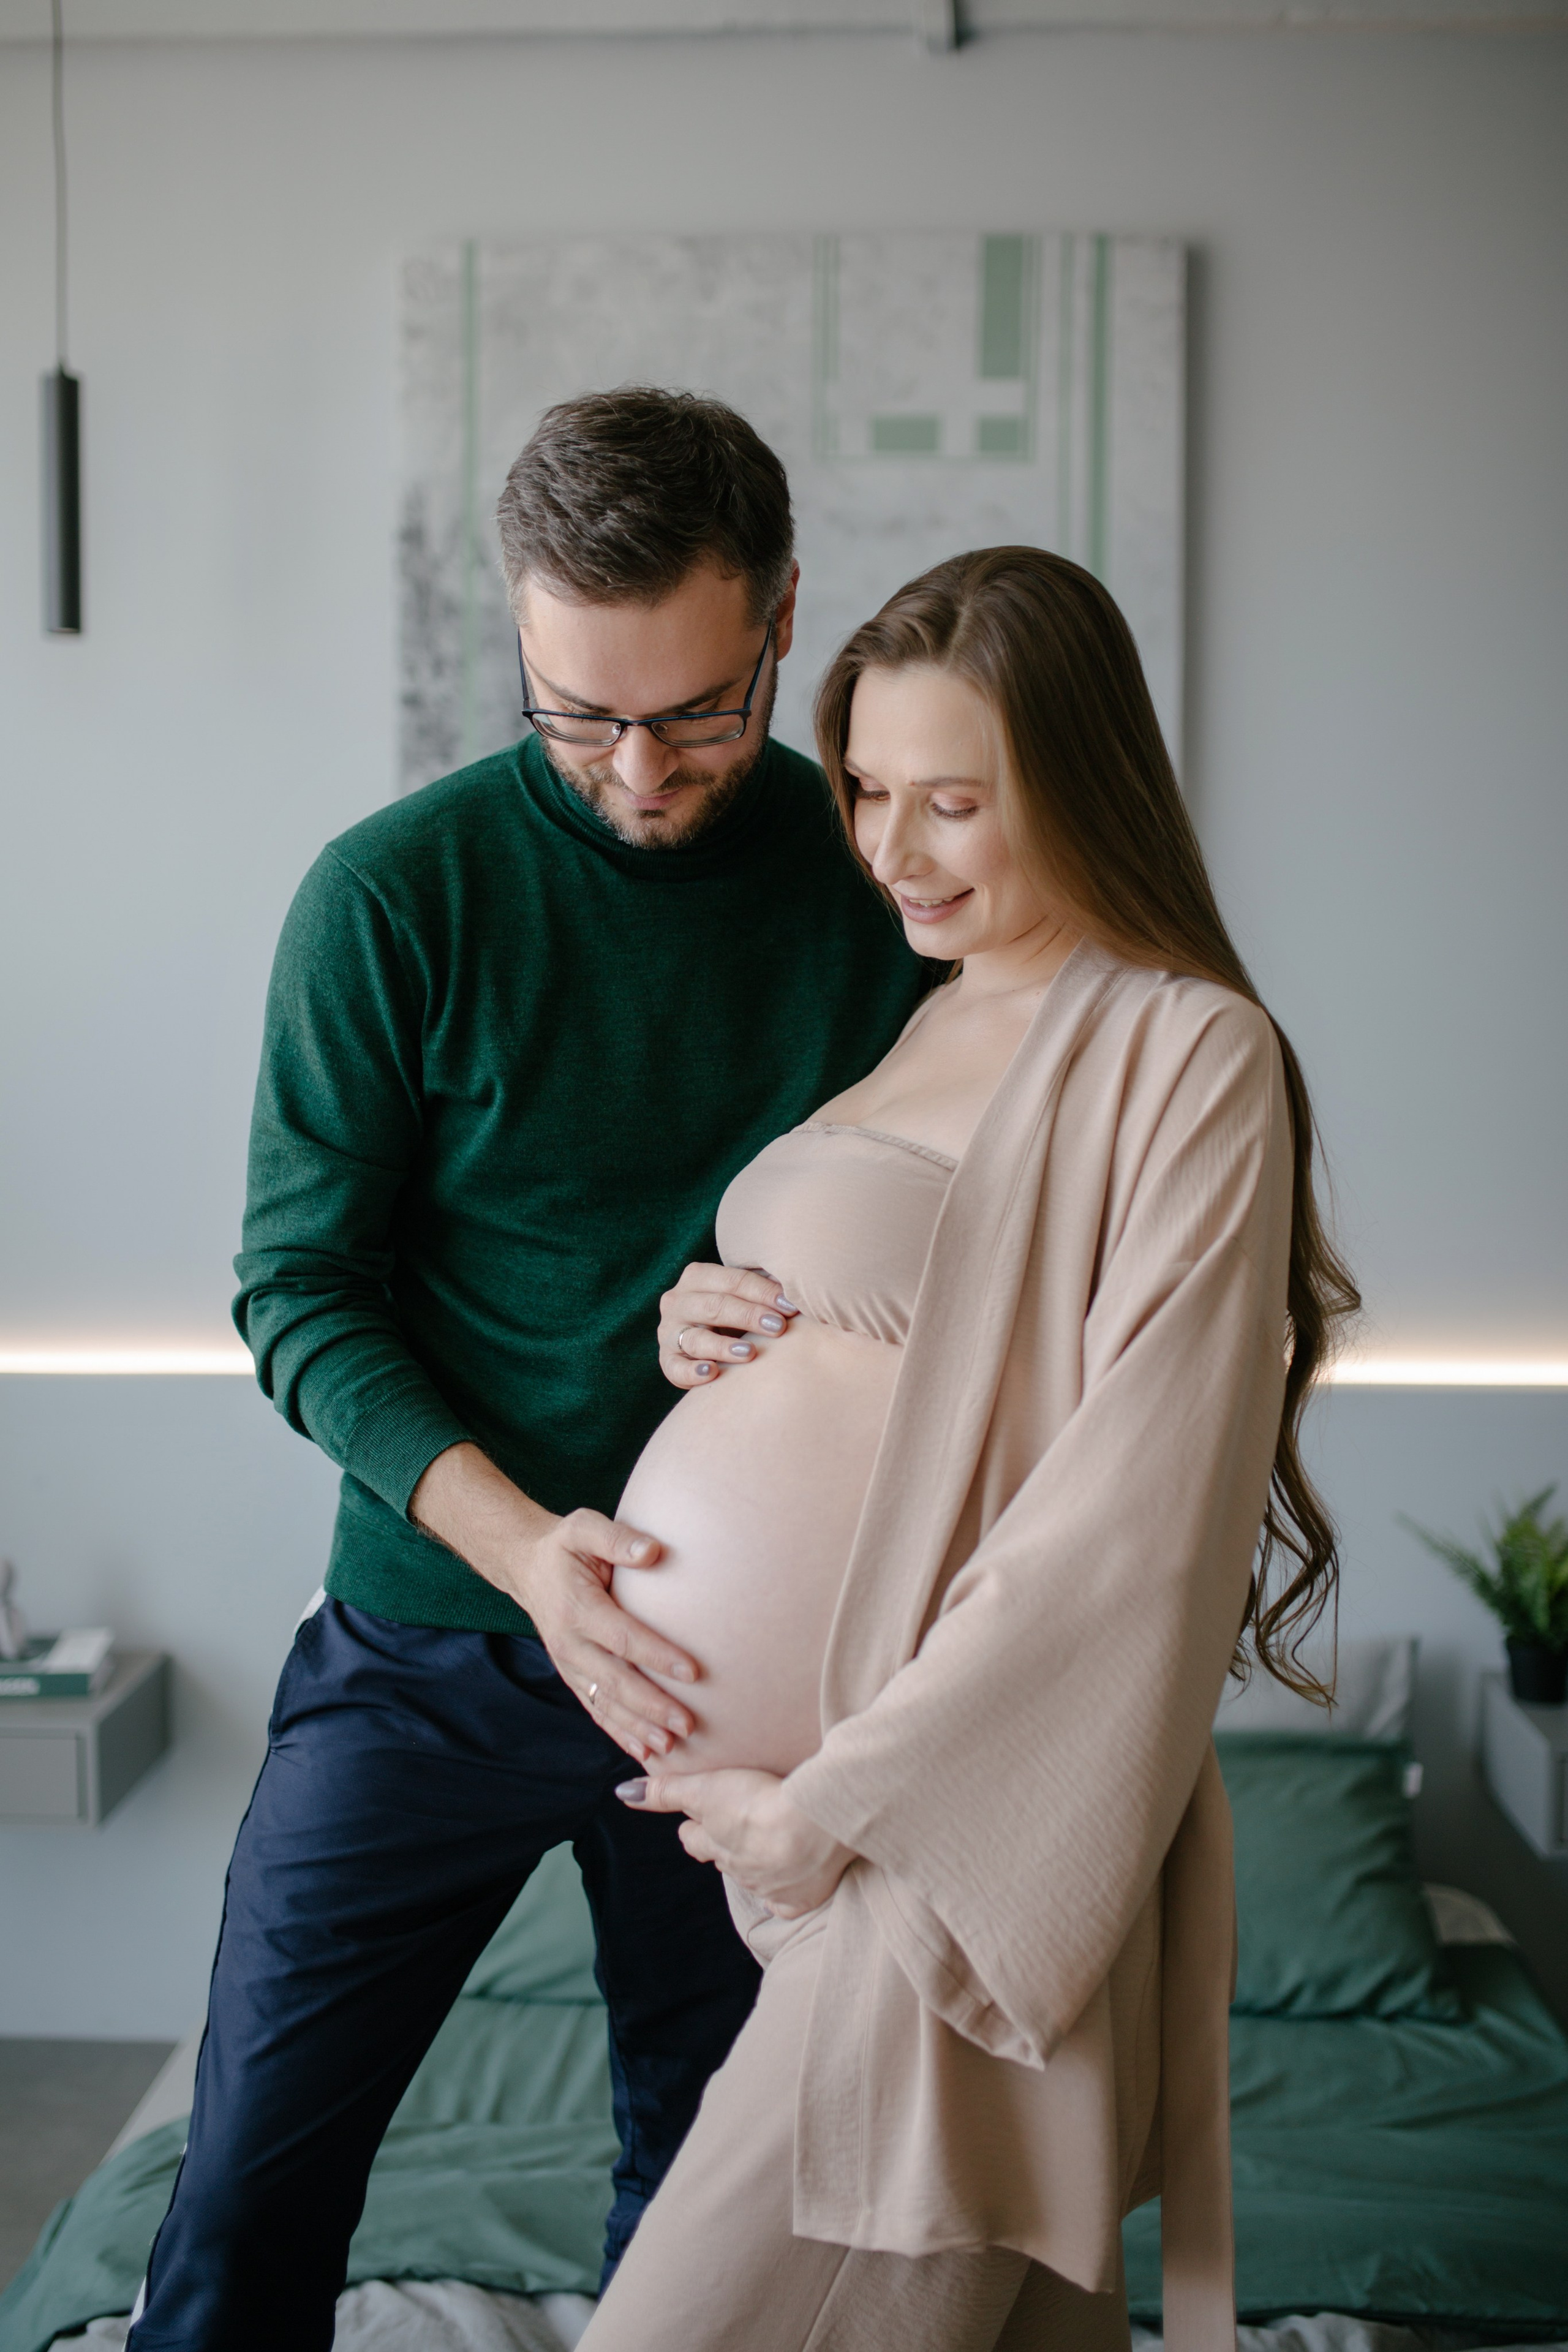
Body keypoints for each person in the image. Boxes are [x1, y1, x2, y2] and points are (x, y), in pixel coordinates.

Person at [126, 389, 930, 2352]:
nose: (638, 769)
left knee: (715, 2195)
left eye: (695, 712)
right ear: (520, 639)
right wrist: (528, 1558)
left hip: (766, 1682)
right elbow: (300, 1296)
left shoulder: (889, 894)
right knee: (246, 2187)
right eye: (580, 714)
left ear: (784, 621)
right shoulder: (392, 897)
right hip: (433, 1639)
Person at [576, 545, 1359, 2352]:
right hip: (832, 1859)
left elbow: (1135, 1524)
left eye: (955, 802)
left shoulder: (1189, 1053)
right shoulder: (930, 1013)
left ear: (1080, 784)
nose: (893, 852)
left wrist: (826, 1810)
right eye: (864, 790)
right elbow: (913, 1340)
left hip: (951, 1856)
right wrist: (709, 1313)